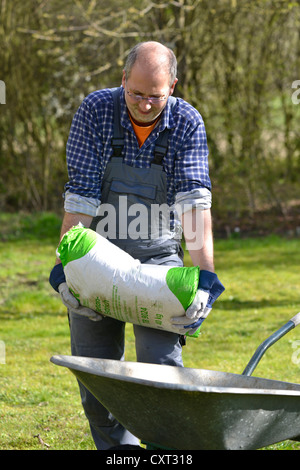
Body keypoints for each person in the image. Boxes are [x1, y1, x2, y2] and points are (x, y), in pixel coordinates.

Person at [50, 41, 224, 450]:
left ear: (173, 86)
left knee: (160, 365)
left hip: (159, 258)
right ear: (123, 78)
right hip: (97, 254)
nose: (145, 105)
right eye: (137, 93)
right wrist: (65, 268)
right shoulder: (95, 112)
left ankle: (169, 452)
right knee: (99, 379)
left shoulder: (186, 122)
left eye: (156, 96)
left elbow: (194, 206)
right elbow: (80, 198)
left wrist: (204, 278)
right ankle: (121, 453)